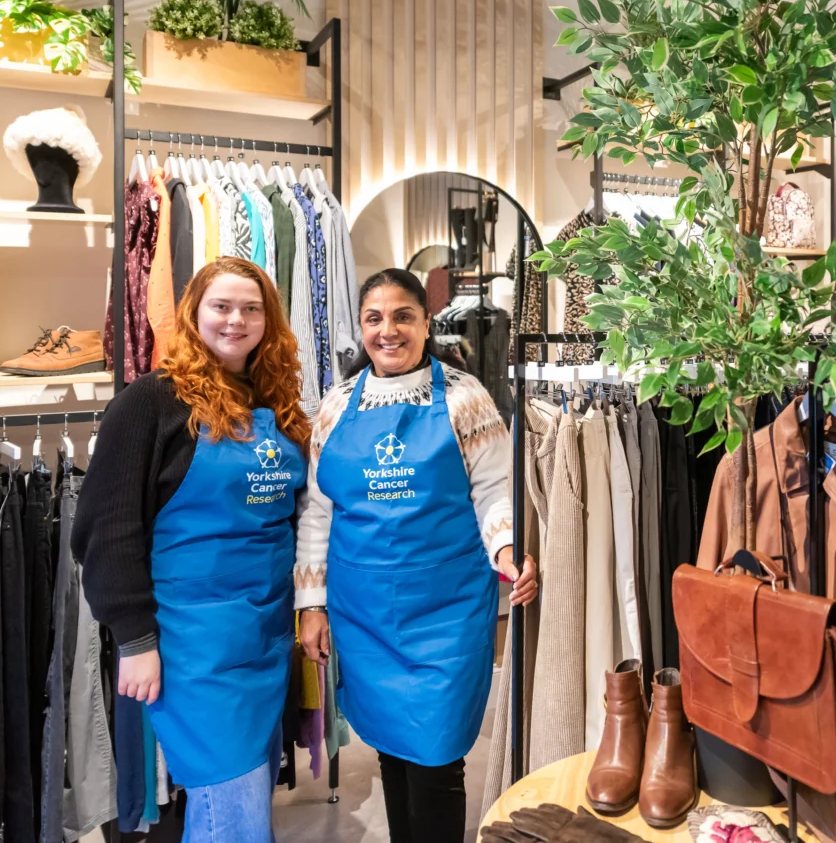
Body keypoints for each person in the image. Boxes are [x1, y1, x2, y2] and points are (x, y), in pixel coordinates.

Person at [73, 258, 310, 843]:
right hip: (192, 645)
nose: (236, 320)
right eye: (221, 307)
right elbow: (107, 529)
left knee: (244, 797)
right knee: (235, 808)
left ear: (269, 321)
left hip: (264, 635)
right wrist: (135, 640)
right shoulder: (150, 402)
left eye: (251, 309)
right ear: (193, 314)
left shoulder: (276, 403)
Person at [296, 268, 537, 843]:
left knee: (436, 758)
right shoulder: (333, 408)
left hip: (445, 615)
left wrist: (506, 547)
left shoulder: (466, 398)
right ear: (361, 327)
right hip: (363, 616)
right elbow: (318, 513)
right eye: (375, 318)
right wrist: (311, 604)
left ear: (427, 323)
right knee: (392, 750)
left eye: (403, 316)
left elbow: (494, 491)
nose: (389, 330)